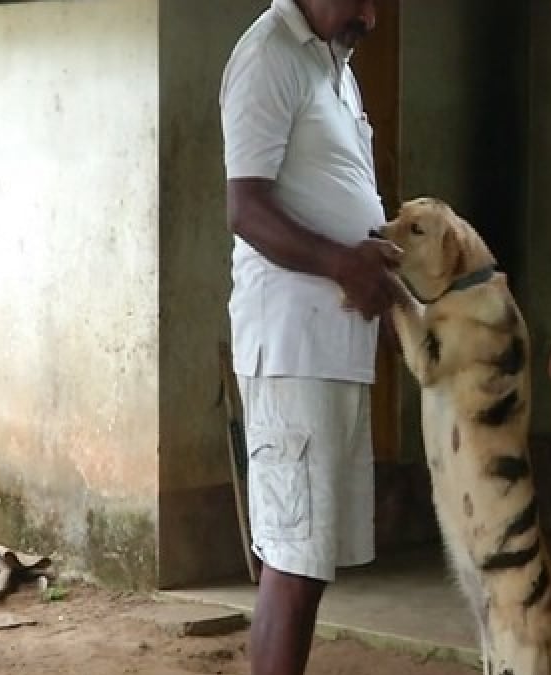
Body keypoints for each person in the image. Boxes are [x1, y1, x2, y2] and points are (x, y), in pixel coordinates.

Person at [218, 1, 402, 674]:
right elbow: (246, 207)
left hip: (336, 348)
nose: (371, 16)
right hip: (293, 348)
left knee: (310, 558)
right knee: (293, 560)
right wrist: (343, 263)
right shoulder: (268, 56)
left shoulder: (334, 66)